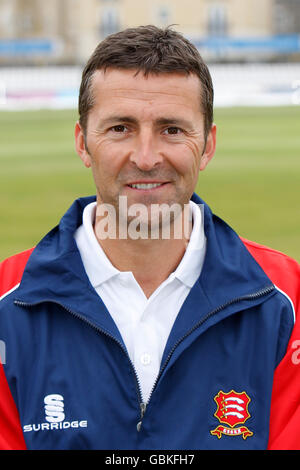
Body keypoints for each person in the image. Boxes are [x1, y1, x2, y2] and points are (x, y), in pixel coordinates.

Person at [0, 25, 299, 451]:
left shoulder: (288, 300)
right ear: (83, 142)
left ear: (208, 145)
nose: (146, 157)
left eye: (172, 130)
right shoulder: (8, 304)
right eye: (120, 128)